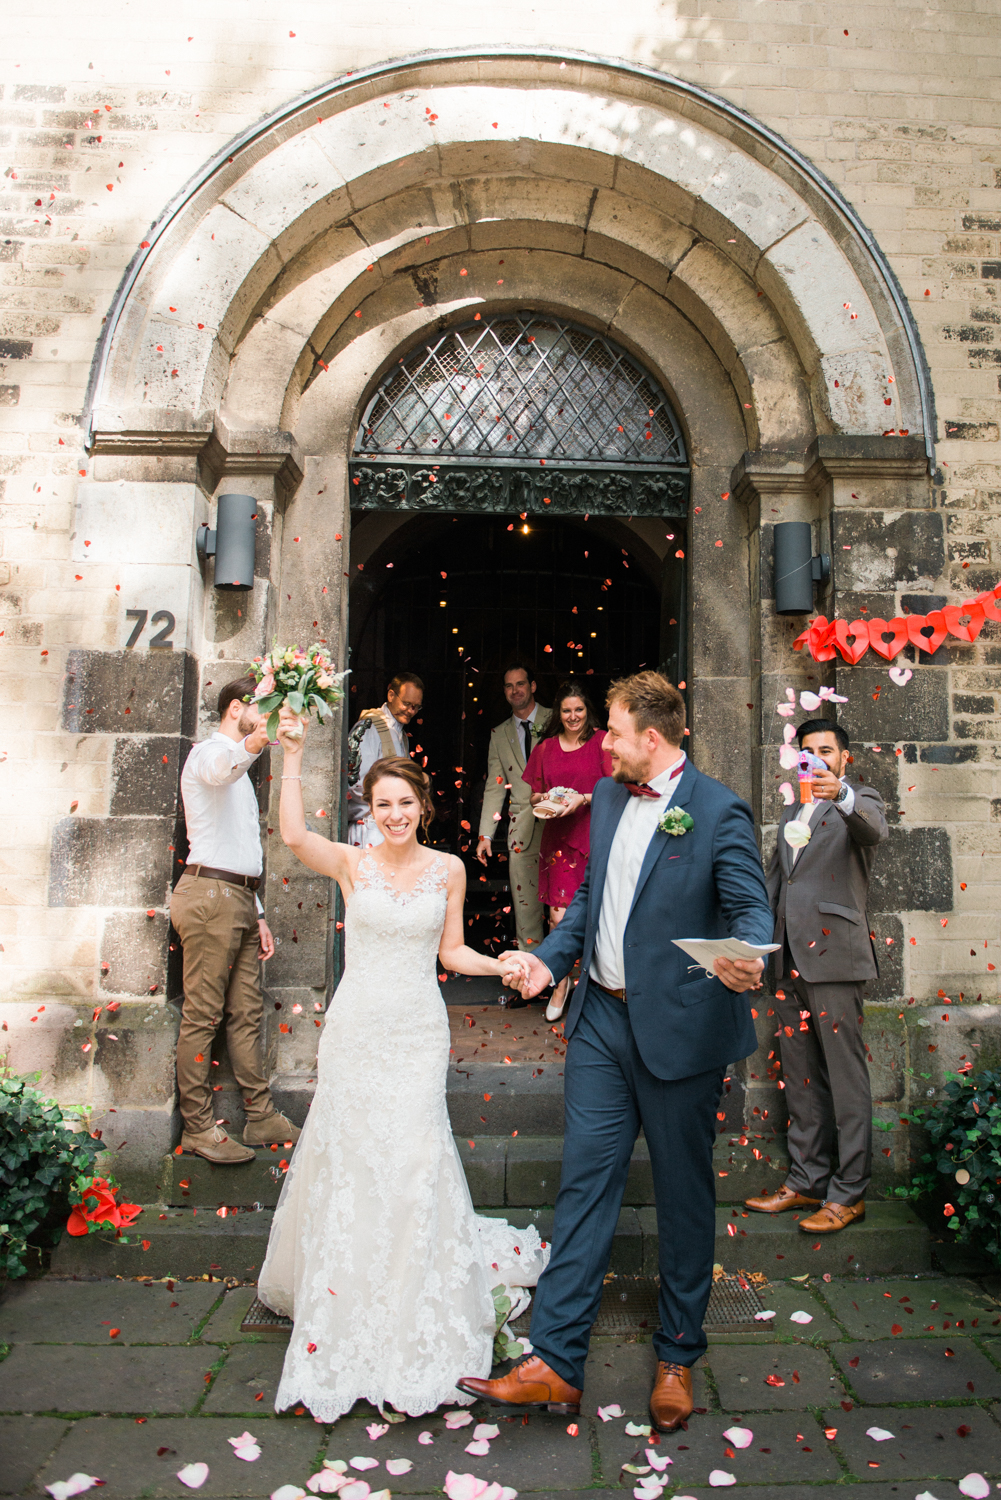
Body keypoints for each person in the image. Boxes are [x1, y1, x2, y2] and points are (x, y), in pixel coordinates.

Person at [458, 671, 773, 1432]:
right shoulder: (604, 798)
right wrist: (546, 959)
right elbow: (591, 901)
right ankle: (555, 1361)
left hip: (680, 1034)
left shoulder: (717, 810)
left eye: (615, 732)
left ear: (651, 739)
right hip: (600, 1019)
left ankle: (677, 1354)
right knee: (584, 1183)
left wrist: (744, 957)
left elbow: (750, 911)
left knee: (683, 1195)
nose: (604, 744)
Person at [257, 710, 548, 1421]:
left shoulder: (447, 869)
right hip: (356, 1032)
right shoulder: (351, 864)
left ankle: (415, 1300)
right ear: (370, 809)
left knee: (415, 1158)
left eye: (405, 803)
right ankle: (349, 1298)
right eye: (382, 804)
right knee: (357, 1161)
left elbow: (451, 952)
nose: (394, 814)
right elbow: (292, 836)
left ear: (423, 806)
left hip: (417, 1033)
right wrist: (291, 755)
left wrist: (501, 964)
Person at [745, 718, 887, 1233]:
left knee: (845, 1078)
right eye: (808, 751)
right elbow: (775, 884)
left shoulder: (861, 800)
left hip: (835, 959)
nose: (816, 758)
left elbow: (874, 831)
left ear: (844, 758)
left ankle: (849, 1194)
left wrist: (842, 795)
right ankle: (807, 1180)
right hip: (788, 961)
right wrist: (758, 951)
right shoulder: (791, 811)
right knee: (800, 1076)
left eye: (826, 750)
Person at [169, 676, 301, 1165]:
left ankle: (260, 1116)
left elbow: (242, 846)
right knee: (202, 1014)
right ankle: (198, 1128)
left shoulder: (241, 768)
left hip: (240, 898)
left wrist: (259, 912)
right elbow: (221, 769)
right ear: (235, 708)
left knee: (246, 1013)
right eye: (261, 707)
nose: (267, 717)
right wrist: (257, 741)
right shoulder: (208, 753)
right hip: (209, 895)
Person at [523, 679, 613, 1021]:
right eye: (566, 711)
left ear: (587, 710)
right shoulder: (545, 748)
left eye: (578, 709)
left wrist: (582, 799)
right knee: (558, 918)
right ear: (557, 714)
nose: (573, 716)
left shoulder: (602, 742)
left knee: (596, 915)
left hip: (593, 837)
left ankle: (595, 986)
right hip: (558, 840)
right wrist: (547, 798)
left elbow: (616, 788)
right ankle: (560, 983)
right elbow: (533, 795)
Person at [476, 662, 549, 952]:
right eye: (509, 686)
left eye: (520, 684)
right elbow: (495, 785)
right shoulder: (499, 733)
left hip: (560, 824)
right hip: (522, 830)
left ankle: (566, 972)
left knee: (563, 907)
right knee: (526, 909)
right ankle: (531, 968)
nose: (515, 690)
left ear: (533, 686)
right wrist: (485, 834)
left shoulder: (558, 719)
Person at [345, 672, 424, 846]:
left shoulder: (401, 735)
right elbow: (356, 783)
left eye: (416, 707)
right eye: (406, 703)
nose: (411, 711)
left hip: (391, 825)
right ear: (391, 695)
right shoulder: (370, 728)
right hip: (370, 829)